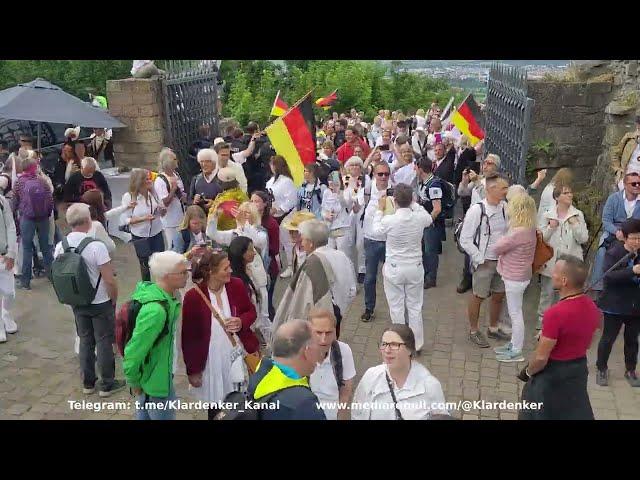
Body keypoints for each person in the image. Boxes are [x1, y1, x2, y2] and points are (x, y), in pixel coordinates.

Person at [518, 256, 600, 420]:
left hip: (553, 374)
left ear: (564, 281)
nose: (551, 274)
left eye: (555, 271)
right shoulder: (593, 307)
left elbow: (541, 358)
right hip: (577, 371)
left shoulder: (555, 314)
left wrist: (527, 371)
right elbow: (589, 341)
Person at [54, 203, 123, 396]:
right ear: (88, 221)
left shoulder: (61, 246)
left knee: (85, 340)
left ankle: (88, 383)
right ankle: (107, 384)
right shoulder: (96, 246)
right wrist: (114, 298)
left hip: (77, 300)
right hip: (100, 300)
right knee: (103, 341)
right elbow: (109, 279)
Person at [182, 248, 258, 419]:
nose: (230, 271)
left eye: (230, 266)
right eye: (225, 268)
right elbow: (189, 337)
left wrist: (241, 321)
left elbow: (251, 312)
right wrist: (193, 370)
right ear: (210, 271)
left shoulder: (236, 285)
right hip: (212, 361)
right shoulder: (193, 297)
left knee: (242, 404)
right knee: (217, 409)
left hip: (237, 356)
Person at [124, 251, 187, 420]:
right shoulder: (156, 311)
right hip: (156, 382)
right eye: (183, 272)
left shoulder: (165, 297)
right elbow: (134, 351)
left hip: (157, 376)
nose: (186, 275)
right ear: (167, 276)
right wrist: (134, 382)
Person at [372, 183, 433, 352]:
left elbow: (376, 231)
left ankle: (400, 342)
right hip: (414, 267)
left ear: (395, 201)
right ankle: (417, 344)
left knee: (396, 307)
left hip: (395, 267)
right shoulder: (419, 217)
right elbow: (429, 219)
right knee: (414, 306)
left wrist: (379, 210)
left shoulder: (389, 220)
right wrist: (414, 203)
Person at [274, 219, 356, 337]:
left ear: (311, 243)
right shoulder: (341, 255)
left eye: (303, 239)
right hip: (338, 312)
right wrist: (342, 306)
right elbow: (352, 289)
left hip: (318, 321)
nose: (301, 243)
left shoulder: (312, 263)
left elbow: (302, 300)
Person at [352, 324, 447, 420]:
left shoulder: (430, 386)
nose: (387, 350)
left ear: (410, 349)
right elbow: (357, 413)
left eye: (394, 345)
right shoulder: (371, 376)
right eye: (384, 344)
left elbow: (441, 417)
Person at [460, 173, 510, 348]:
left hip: (502, 261)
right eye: (503, 188)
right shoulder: (477, 210)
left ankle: (493, 328)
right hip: (485, 262)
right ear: (491, 189)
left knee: (498, 295)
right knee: (478, 295)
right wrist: (480, 259)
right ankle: (474, 331)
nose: (506, 191)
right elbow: (465, 239)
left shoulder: (505, 208)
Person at [492, 193, 537, 362]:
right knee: (515, 312)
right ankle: (513, 344)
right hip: (522, 275)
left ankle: (517, 350)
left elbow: (497, 248)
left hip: (514, 277)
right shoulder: (530, 228)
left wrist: (502, 236)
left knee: (515, 314)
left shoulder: (518, 232)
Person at [595, 218, 640, 387]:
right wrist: (632, 271)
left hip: (635, 305)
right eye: (634, 238)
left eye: (639, 238)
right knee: (608, 338)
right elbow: (608, 275)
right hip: (615, 304)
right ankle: (601, 368)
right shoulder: (614, 252)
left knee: (632, 339)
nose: (637, 242)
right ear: (625, 238)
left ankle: (630, 370)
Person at [537, 184, 588, 329]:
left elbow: (583, 238)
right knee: (547, 294)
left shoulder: (577, 215)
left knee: (569, 295)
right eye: (566, 193)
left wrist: (575, 225)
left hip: (571, 262)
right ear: (557, 197)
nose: (570, 195)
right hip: (551, 262)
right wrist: (551, 228)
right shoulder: (547, 214)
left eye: (571, 192)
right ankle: (543, 326)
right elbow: (541, 239)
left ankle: (566, 326)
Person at [591, 172, 640, 291]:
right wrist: (617, 231)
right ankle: (598, 286)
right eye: (634, 183)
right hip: (614, 231)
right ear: (625, 184)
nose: (637, 185)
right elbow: (606, 220)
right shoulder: (614, 198)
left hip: (635, 233)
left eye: (639, 183)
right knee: (602, 251)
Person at [12, 154, 54, 290]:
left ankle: (26, 281)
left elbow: (14, 201)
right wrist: (47, 214)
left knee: (27, 248)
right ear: (35, 167)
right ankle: (52, 276)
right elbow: (50, 199)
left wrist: (17, 214)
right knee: (46, 247)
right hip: (43, 218)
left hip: (27, 219)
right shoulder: (42, 181)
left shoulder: (18, 182)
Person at [308, 308, 356, 420]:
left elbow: (346, 391)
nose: (324, 339)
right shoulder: (299, 353)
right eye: (318, 333)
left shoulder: (343, 351)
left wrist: (341, 415)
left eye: (328, 333)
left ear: (335, 332)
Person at [120, 169, 166, 281]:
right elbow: (125, 219)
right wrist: (143, 219)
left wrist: (161, 209)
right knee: (144, 264)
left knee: (160, 262)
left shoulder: (152, 193)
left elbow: (162, 211)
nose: (150, 180)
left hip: (156, 232)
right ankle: (147, 289)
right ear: (139, 182)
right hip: (140, 235)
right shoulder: (129, 197)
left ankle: (161, 287)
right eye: (147, 179)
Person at [361, 162, 393, 322]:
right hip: (371, 240)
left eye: (386, 174)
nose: (383, 177)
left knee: (392, 277)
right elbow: (354, 206)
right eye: (380, 174)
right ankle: (369, 308)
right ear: (374, 174)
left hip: (389, 241)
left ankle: (396, 310)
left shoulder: (394, 190)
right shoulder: (367, 189)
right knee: (370, 278)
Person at [228, 235, 271, 345]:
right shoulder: (236, 281)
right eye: (251, 250)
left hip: (257, 325)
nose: (254, 253)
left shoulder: (249, 270)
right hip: (249, 331)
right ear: (241, 254)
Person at [415, 158, 447, 289]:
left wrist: (428, 221)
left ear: (421, 169)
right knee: (424, 250)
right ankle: (425, 274)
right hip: (424, 223)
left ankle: (430, 278)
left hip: (431, 225)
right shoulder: (424, 183)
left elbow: (437, 208)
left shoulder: (433, 185)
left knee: (430, 251)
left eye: (416, 168)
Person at [266, 155, 298, 278]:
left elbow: (292, 200)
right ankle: (278, 264)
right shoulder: (271, 180)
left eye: (272, 164)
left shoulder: (287, 181)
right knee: (275, 242)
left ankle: (291, 266)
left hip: (286, 214)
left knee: (288, 242)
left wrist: (280, 209)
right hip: (273, 215)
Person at [251, 190, 280, 320]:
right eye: (251, 201)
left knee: (266, 302)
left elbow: (274, 249)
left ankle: (273, 326)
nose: (253, 204)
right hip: (253, 267)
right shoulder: (250, 222)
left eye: (256, 201)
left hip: (268, 267)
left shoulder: (271, 224)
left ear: (265, 204)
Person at [154, 148, 187, 250]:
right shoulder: (160, 180)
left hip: (181, 217)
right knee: (173, 246)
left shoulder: (176, 174)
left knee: (182, 245)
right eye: (174, 159)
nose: (177, 161)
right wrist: (173, 190)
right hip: (171, 220)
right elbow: (165, 202)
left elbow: (181, 191)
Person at [207, 167, 249, 231]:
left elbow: (214, 217)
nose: (218, 183)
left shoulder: (225, 199)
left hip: (224, 235)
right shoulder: (242, 195)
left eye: (219, 181)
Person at [0, 188, 17, 343]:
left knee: (9, 292)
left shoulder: (2, 201)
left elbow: (11, 226)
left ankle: (6, 313)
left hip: (4, 256)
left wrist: (11, 253)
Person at [322, 170, 353, 256]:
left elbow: (347, 205)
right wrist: (326, 215)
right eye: (331, 182)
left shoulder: (346, 192)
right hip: (330, 228)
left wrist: (338, 192)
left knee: (343, 255)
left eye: (335, 183)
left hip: (342, 227)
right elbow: (323, 209)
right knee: (330, 255)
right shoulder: (326, 193)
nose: (332, 185)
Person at [611, 115, 640, 189]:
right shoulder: (629, 138)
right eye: (638, 128)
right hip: (626, 176)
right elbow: (615, 154)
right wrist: (618, 170)